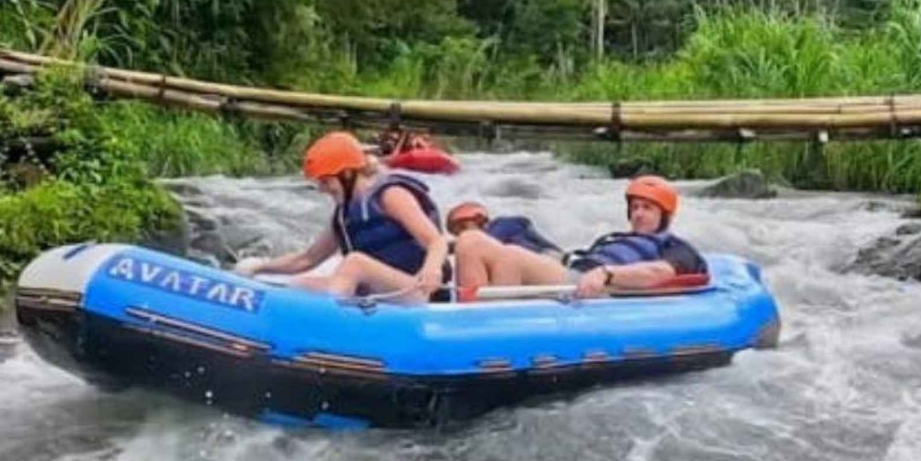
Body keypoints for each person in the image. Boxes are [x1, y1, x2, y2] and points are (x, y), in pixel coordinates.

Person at [236, 131, 449, 301]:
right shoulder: (342, 215)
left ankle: (332, 326)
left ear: (347, 174)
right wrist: (260, 265)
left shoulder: (390, 195)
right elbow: (307, 259)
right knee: (301, 285)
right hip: (382, 294)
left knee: (355, 263)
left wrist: (431, 269)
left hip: (420, 292)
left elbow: (436, 241)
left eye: (326, 181)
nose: (322, 189)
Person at [451, 175, 706, 297]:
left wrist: (606, 273)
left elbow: (660, 273)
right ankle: (465, 307)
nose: (638, 214)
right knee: (494, 232)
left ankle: (485, 322)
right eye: (635, 207)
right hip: (571, 265)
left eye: (647, 208)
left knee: (508, 256)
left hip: (592, 283)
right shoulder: (613, 237)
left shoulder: (676, 246)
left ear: (665, 215)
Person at [444, 201, 563, 258]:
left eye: (461, 230)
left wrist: (441, 247)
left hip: (560, 263)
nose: (461, 236)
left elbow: (489, 241)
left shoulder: (504, 224)